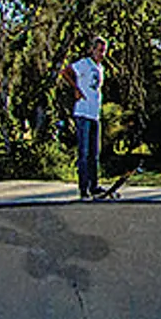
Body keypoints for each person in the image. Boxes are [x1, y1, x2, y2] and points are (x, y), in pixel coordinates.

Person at [60, 37, 109, 200]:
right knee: (84, 152)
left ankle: (94, 185)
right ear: (92, 50)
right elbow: (65, 71)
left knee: (94, 153)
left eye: (104, 50)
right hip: (83, 113)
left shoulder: (100, 68)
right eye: (99, 50)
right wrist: (76, 89)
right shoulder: (84, 64)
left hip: (95, 114)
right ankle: (83, 188)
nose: (102, 54)